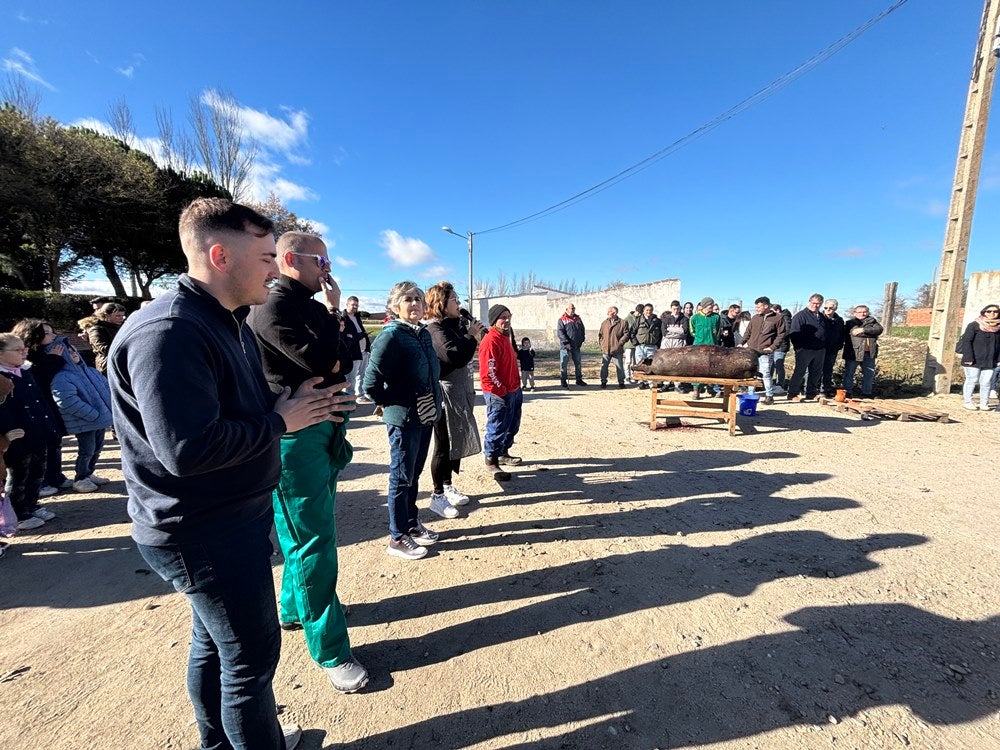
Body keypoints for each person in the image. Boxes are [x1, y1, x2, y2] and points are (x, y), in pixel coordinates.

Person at [107, 198, 345, 750]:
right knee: (251, 660)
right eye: (265, 256)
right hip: (202, 531)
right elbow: (187, 449)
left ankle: (220, 744)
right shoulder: (170, 331)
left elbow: (236, 406)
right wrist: (280, 421)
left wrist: (289, 399)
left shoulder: (223, 320)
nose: (274, 266)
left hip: (225, 521)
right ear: (220, 255)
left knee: (215, 647)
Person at [247, 231, 368, 694]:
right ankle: (331, 650)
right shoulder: (272, 306)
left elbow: (345, 356)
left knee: (304, 532)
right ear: (290, 259)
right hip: (296, 434)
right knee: (314, 538)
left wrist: (335, 313)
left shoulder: (312, 306)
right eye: (321, 259)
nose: (328, 268)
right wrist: (334, 348)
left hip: (321, 424)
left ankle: (293, 607)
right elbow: (327, 362)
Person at [363, 281, 443, 560]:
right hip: (404, 417)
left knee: (414, 473)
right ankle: (397, 537)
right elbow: (370, 384)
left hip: (424, 414)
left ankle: (411, 523)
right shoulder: (391, 336)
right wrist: (393, 397)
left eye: (418, 299)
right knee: (401, 476)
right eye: (408, 299)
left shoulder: (420, 333)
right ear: (395, 305)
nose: (415, 304)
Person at [423, 281, 485, 519]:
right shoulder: (435, 329)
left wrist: (468, 334)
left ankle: (448, 485)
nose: (459, 303)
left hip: (459, 392)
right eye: (455, 300)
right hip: (443, 395)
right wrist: (470, 336)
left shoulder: (453, 326)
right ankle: (437, 496)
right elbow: (454, 356)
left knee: (455, 440)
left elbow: (464, 351)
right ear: (441, 303)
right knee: (442, 445)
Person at [0, 333, 60, 531]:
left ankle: (32, 505)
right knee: (18, 475)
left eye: (24, 348)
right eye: (17, 350)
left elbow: (40, 402)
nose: (23, 352)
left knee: (37, 472)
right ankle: (19, 513)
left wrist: (50, 426)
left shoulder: (25, 372)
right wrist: (6, 433)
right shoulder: (2, 379)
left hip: (37, 431)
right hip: (16, 438)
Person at [10, 319, 73, 497]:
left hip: (48, 404)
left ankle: (55, 476)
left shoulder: (51, 350)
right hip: (33, 408)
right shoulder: (26, 358)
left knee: (55, 441)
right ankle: (43, 481)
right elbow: (39, 377)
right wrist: (52, 358)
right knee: (39, 446)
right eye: (47, 333)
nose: (53, 336)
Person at [48, 335, 114, 492]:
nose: (74, 354)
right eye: (69, 353)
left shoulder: (91, 371)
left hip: (100, 419)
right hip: (85, 422)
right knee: (86, 450)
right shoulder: (62, 378)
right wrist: (91, 414)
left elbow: (107, 389)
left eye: (74, 351)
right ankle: (81, 478)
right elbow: (66, 401)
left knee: (97, 448)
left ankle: (89, 473)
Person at [478, 304, 523, 482]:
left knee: (512, 425)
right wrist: (502, 391)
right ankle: (491, 460)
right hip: (498, 394)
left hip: (514, 390)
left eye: (508, 316)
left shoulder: (507, 337)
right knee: (497, 427)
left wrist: (516, 387)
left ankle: (503, 452)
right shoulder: (490, 341)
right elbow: (488, 373)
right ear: (494, 320)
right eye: (502, 317)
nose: (507, 320)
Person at [742, 296, 787, 405]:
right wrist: (742, 342)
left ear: (766, 306)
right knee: (751, 373)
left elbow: (781, 334)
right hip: (751, 350)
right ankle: (751, 395)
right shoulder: (755, 318)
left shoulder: (777, 318)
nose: (756, 309)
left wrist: (772, 347)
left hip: (765, 351)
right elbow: (748, 332)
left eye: (758, 307)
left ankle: (769, 396)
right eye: (756, 307)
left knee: (765, 373)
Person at [956, 303, 1000, 411]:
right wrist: (968, 358)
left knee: (986, 382)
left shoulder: (998, 328)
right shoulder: (974, 325)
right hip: (973, 359)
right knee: (972, 379)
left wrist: (998, 359)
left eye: (995, 311)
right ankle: (968, 401)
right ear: (984, 312)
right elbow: (967, 341)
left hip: (990, 360)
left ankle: (984, 403)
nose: (992, 313)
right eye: (989, 311)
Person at [787, 294, 828, 402]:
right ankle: (792, 393)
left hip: (819, 349)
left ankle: (811, 393)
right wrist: (799, 347)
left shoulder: (821, 316)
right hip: (804, 349)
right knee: (800, 372)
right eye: (813, 303)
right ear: (809, 302)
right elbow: (794, 333)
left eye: (818, 303)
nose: (815, 305)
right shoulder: (800, 316)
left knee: (816, 372)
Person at [841, 304, 884, 400]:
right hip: (854, 352)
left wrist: (863, 329)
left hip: (869, 352)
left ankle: (866, 393)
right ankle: (847, 392)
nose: (862, 314)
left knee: (869, 373)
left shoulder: (873, 321)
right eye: (860, 312)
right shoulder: (850, 323)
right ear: (855, 313)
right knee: (849, 373)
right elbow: (854, 333)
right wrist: (871, 333)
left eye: (865, 312)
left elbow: (879, 330)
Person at [688, 297, 722, 398]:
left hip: (712, 346)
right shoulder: (694, 318)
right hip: (698, 347)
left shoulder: (716, 317)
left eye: (712, 305)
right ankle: (696, 389)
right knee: (697, 368)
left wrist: (713, 340)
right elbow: (692, 331)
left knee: (712, 367)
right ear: (704, 306)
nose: (711, 307)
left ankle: (711, 388)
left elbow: (718, 331)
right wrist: (700, 338)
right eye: (709, 305)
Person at [80, 303, 126, 375]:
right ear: (107, 315)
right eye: (118, 316)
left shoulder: (119, 327)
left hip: (120, 362)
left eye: (122, 316)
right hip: (107, 366)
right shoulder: (96, 329)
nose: (121, 318)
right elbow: (104, 349)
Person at [343, 296, 372, 403]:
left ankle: (360, 395)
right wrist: (359, 335)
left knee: (362, 374)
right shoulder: (343, 318)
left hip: (363, 351)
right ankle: (349, 399)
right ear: (347, 305)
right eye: (353, 305)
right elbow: (345, 335)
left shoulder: (357, 317)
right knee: (351, 377)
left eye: (356, 305)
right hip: (353, 352)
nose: (355, 307)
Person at [598, 306, 630, 389]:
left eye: (610, 312)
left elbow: (626, 334)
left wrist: (620, 343)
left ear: (615, 313)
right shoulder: (604, 323)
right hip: (606, 349)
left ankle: (621, 382)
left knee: (619, 366)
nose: (608, 313)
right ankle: (603, 381)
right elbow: (600, 335)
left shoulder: (622, 322)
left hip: (617, 349)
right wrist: (602, 344)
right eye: (608, 312)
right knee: (604, 366)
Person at [557, 303, 586, 388]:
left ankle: (579, 380)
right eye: (571, 308)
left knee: (578, 363)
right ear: (566, 309)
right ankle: (563, 380)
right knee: (564, 364)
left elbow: (582, 330)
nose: (573, 310)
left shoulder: (578, 319)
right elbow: (560, 333)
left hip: (576, 346)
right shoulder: (562, 320)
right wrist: (566, 343)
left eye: (573, 308)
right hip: (565, 347)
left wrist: (581, 339)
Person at [821, 299, 846, 398]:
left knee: (828, 370)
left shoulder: (839, 320)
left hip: (832, 349)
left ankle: (826, 389)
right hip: (820, 348)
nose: (828, 310)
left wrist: (839, 345)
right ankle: (814, 389)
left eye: (830, 308)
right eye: (826, 307)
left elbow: (841, 335)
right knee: (817, 370)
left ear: (835, 308)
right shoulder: (820, 317)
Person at [770, 303, 791, 393]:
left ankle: (780, 385)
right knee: (771, 365)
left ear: (777, 310)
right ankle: (769, 384)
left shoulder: (785, 318)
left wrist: (777, 338)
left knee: (778, 365)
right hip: (773, 345)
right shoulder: (775, 318)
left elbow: (786, 331)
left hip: (781, 346)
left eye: (772, 312)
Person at [623, 304, 644, 384]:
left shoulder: (641, 318)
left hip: (637, 343)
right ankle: (627, 377)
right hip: (629, 344)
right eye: (639, 313)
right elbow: (625, 331)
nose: (640, 314)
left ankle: (634, 376)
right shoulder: (627, 319)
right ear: (636, 311)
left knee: (635, 362)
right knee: (628, 361)